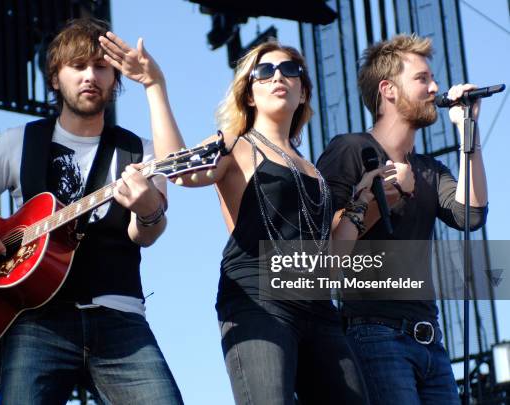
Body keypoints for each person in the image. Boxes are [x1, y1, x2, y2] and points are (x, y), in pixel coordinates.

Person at [101, 33, 376, 404]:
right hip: (258, 299)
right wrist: (154, 84)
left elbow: (332, 260)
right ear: (249, 93)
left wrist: (360, 203)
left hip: (318, 306)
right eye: (264, 71)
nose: (278, 77)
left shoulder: (314, 172)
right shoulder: (235, 144)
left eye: (289, 70)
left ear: (304, 92)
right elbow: (177, 168)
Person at [0, 18, 183, 404]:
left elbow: (145, 234)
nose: (90, 76)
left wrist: (149, 210)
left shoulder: (140, 152)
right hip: (36, 322)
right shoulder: (15, 143)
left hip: (121, 319)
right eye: (78, 66)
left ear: (115, 81)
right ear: (54, 78)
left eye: (101, 67)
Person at [316, 34, 488, 404]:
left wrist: (467, 129)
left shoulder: (430, 170)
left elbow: (471, 215)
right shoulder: (349, 150)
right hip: (373, 333)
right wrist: (381, 197)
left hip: (430, 339)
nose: (435, 87)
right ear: (388, 89)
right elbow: (323, 244)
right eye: (422, 78)